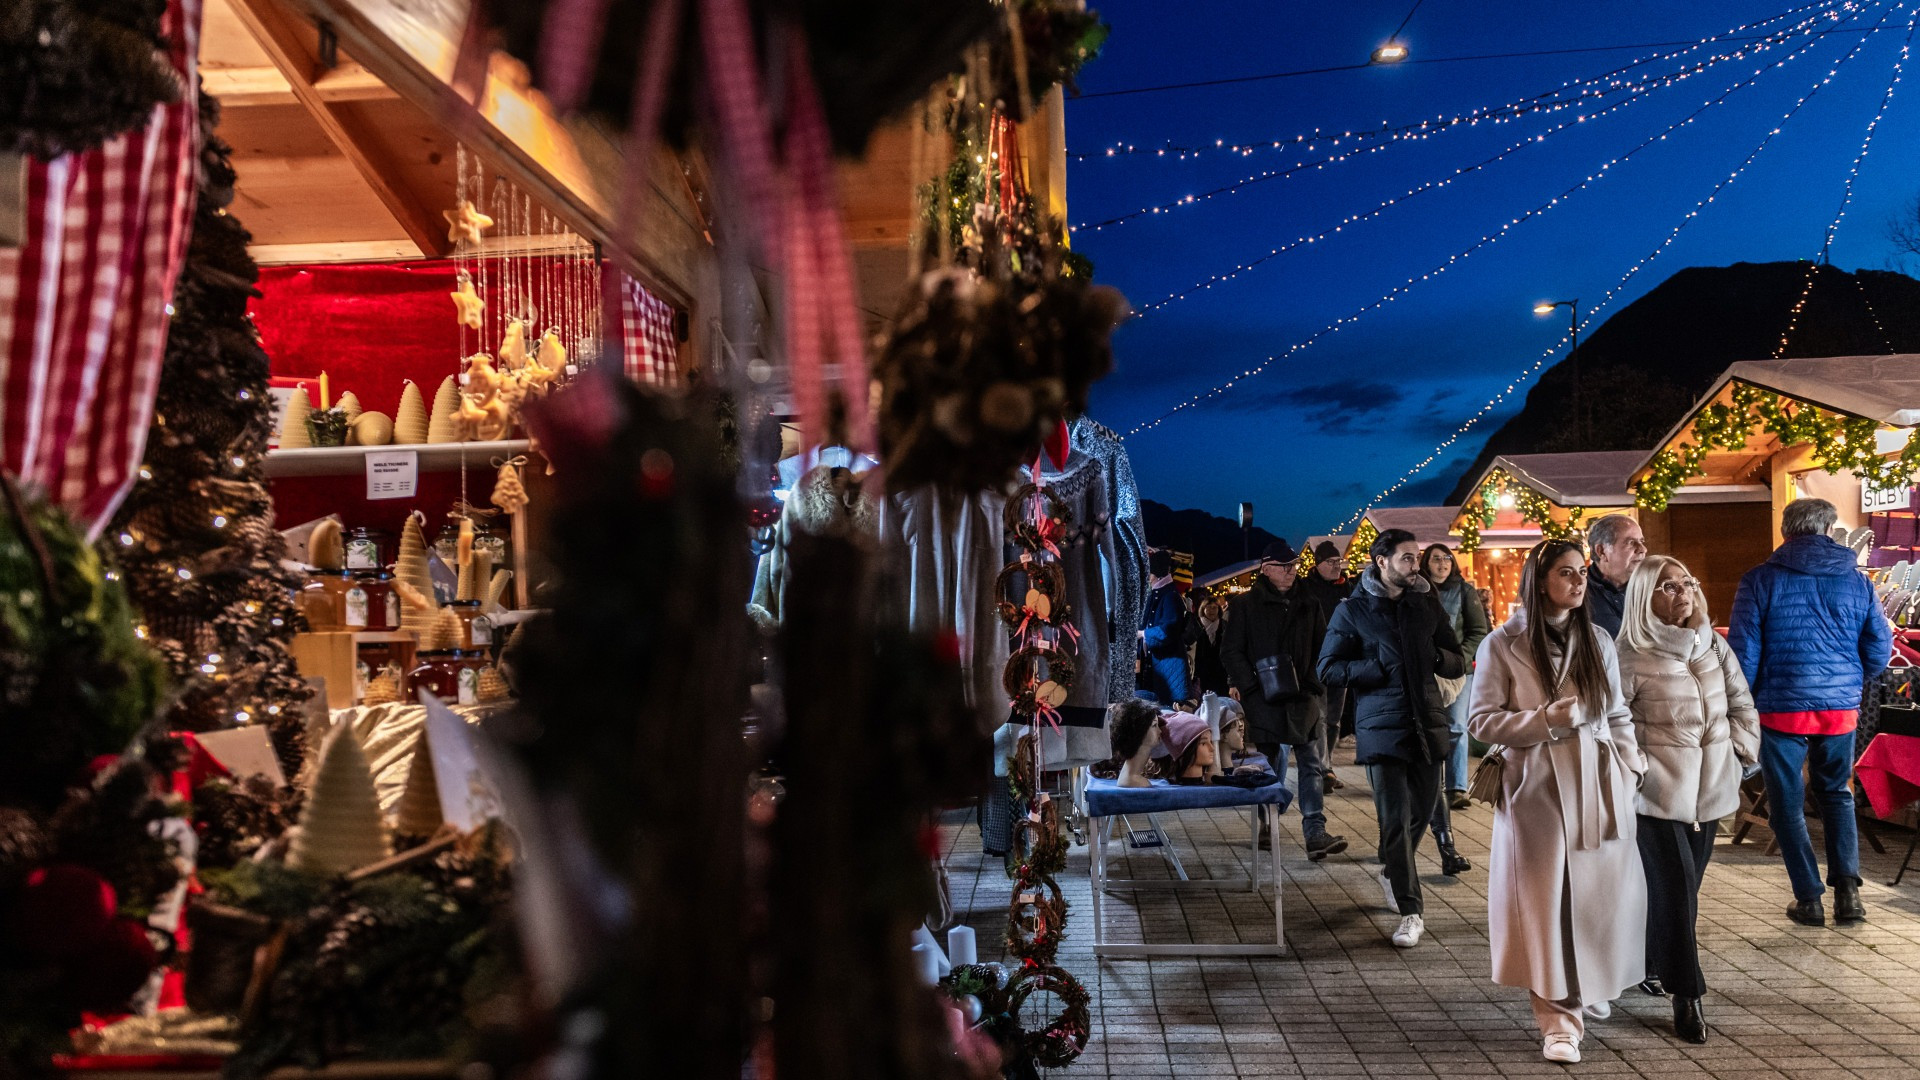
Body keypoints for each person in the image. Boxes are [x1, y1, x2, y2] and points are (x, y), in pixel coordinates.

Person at [1469, 539, 1647, 1064]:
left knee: (1598, 899)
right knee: (1543, 905)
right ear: (1539, 579)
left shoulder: (1597, 639)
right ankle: (1557, 1021)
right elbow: (1481, 722)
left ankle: (1587, 984)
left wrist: (1631, 766)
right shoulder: (1504, 643)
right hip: (1536, 788)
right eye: (1565, 573)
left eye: (1581, 573)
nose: (1578, 582)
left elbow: (1617, 714)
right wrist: (1547, 719)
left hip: (1599, 780)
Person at [1727, 497, 1893, 927]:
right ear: (1828, 530)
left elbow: (1744, 653)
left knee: (1786, 805)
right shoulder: (1858, 582)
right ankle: (1849, 894)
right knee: (1836, 793)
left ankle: (1809, 898)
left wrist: (1740, 704)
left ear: (1786, 532)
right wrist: (1851, 679)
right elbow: (1880, 647)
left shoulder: (1759, 579)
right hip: (1839, 708)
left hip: (1780, 708)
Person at [1616, 555, 1760, 1044]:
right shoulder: (1629, 654)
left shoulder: (1712, 645)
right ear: (1645, 597)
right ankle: (1688, 993)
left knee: (1683, 891)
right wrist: (1636, 769)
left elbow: (1742, 703)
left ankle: (1651, 961)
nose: (1683, 593)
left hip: (1712, 789)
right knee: (1676, 889)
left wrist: (1740, 753)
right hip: (1655, 792)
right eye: (1669, 586)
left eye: (1687, 583)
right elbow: (1614, 724)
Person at [1317, 528, 1465, 948]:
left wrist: (1436, 657)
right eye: (1406, 557)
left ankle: (1391, 870)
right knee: (1395, 820)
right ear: (1380, 561)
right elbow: (1326, 668)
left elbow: (1455, 660)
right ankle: (1410, 910)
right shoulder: (1353, 611)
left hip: (1426, 723)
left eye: (1416, 557)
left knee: (1421, 811)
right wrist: (1373, 669)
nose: (1414, 564)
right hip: (1381, 726)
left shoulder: (1426, 604)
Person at [1221, 541, 1347, 859]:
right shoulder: (1245, 605)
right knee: (1266, 765)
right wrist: (1250, 687)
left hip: (1303, 697)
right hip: (1264, 699)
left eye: (1293, 565)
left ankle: (1315, 832)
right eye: (1284, 565)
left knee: (1311, 764)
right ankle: (1266, 824)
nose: (1291, 571)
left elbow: (1323, 647)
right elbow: (1231, 650)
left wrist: (1314, 682)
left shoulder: (1309, 603)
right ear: (1266, 569)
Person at [1421, 543, 1490, 875]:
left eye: (1447, 558)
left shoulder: (1465, 591)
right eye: (1436, 558)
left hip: (1460, 671)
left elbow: (1479, 630)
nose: (1442, 563)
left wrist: (1460, 659)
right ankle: (1433, 788)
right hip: (1425, 671)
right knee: (1433, 728)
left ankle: (1458, 787)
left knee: (1458, 726)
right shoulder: (1418, 590)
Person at [1301, 540, 1354, 789]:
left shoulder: (1348, 588)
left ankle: (1328, 763)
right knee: (1320, 716)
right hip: (1317, 661)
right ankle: (1323, 769)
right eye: (1330, 562)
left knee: (1334, 718)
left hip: (1342, 662)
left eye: (1338, 562)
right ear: (1318, 564)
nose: (1336, 567)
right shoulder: (1306, 589)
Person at [1139, 550, 1190, 704]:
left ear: (1156, 573)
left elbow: (1168, 630)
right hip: (1158, 665)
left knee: (1168, 711)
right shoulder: (1159, 593)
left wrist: (1143, 634)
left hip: (1169, 665)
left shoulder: (1169, 595)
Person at [1584, 514, 1647, 638]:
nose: (1643, 549)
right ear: (1601, 551)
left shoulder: (1653, 589)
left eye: (1641, 541)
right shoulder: (1579, 595)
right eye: (1631, 542)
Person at [1187, 592, 1231, 698]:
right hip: (1201, 673)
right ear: (1203, 608)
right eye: (1209, 607)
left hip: (1221, 672)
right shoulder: (1196, 624)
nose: (1212, 610)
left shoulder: (1224, 625)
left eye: (1215, 607)